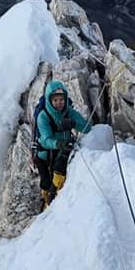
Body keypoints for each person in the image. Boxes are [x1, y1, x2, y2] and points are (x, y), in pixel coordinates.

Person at [35, 80, 90, 208]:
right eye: (55, 100)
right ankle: (47, 201)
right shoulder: (43, 116)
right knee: (46, 183)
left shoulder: (68, 111)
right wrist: (59, 144)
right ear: (49, 101)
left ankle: (54, 197)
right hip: (45, 155)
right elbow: (45, 139)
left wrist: (73, 123)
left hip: (62, 150)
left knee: (60, 171)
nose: (59, 103)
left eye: (61, 99)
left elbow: (87, 128)